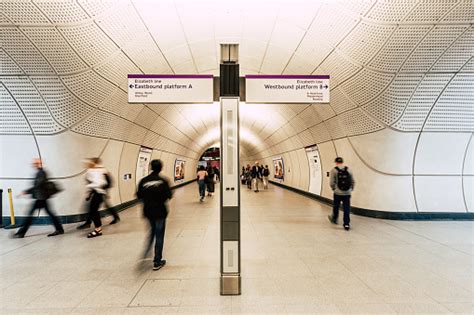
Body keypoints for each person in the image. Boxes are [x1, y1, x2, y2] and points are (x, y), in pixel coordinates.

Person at [13, 158, 64, 238]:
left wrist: (27, 191)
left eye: (35, 163)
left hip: (41, 197)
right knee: (49, 214)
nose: (33, 165)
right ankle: (59, 229)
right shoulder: (40, 172)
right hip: (41, 197)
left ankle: (21, 233)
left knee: (30, 215)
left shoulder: (42, 172)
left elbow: (38, 185)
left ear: (39, 164)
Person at [137, 159, 172, 270]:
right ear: (160, 168)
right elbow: (169, 195)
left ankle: (146, 251)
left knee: (152, 231)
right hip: (160, 212)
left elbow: (139, 196)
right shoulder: (163, 181)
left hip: (148, 211)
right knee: (159, 235)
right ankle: (157, 261)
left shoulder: (143, 181)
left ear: (151, 167)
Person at [77, 159, 119, 229]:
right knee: (93, 208)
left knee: (93, 209)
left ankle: (94, 225)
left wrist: (104, 191)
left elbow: (108, 182)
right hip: (97, 191)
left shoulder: (102, 170)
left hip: (101, 191)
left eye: (90, 162)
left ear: (94, 163)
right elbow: (90, 182)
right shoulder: (92, 171)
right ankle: (89, 223)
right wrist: (89, 193)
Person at [82, 158, 107, 238]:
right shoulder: (96, 170)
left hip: (99, 193)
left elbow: (101, 182)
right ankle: (98, 228)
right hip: (98, 193)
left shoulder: (97, 170)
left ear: (94, 162)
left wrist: (89, 185)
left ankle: (98, 230)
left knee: (93, 211)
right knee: (93, 211)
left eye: (90, 162)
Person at [328, 157, 355, 231]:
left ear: (336, 162)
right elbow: (353, 181)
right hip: (347, 193)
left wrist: (334, 189)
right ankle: (346, 224)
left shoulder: (334, 170)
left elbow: (331, 183)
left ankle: (334, 219)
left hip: (337, 193)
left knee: (336, 206)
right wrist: (351, 189)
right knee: (346, 208)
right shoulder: (348, 169)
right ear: (342, 162)